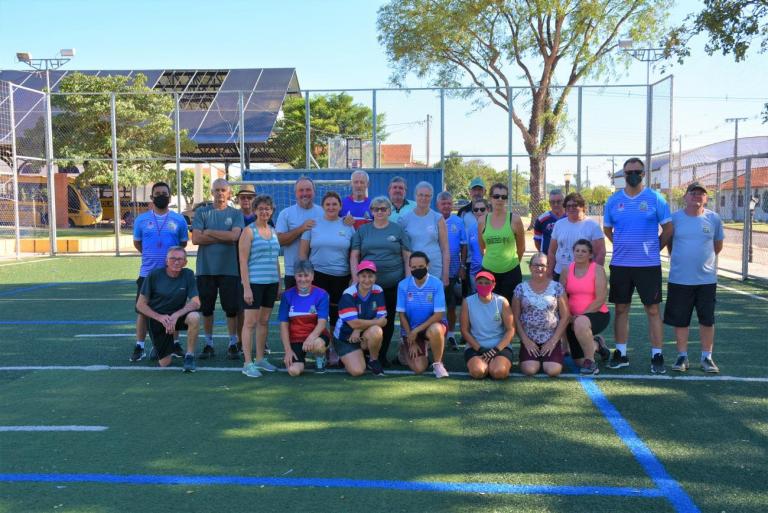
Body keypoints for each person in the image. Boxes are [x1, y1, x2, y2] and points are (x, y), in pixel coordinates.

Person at [603, 158, 672, 374]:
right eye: (629, 171)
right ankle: (621, 353)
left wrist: (653, 250)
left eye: (637, 171)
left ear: (644, 173)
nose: (633, 174)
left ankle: (657, 355)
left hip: (648, 265)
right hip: (621, 265)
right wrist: (623, 245)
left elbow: (668, 229)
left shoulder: (655, 199)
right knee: (621, 309)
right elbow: (607, 230)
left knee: (652, 310)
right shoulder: (613, 201)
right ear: (623, 174)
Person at [664, 182, 724, 373]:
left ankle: (707, 358)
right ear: (686, 197)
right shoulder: (674, 219)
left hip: (706, 280)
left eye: (701, 194)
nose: (696, 196)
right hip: (680, 279)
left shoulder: (714, 219)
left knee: (707, 320)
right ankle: (682, 357)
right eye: (693, 193)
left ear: (706, 198)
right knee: (681, 320)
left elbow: (717, 246)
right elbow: (670, 245)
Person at [130, 182, 189, 362]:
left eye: (164, 193)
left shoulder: (178, 219)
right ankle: (140, 346)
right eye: (157, 193)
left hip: (172, 273)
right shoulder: (141, 219)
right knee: (142, 310)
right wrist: (152, 256)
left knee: (174, 308)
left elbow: (183, 243)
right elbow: (138, 243)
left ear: (170, 197)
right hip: (148, 273)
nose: (161, 196)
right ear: (152, 197)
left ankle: (175, 342)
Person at [350, 196, 411, 366]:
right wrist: (356, 280)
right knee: (366, 319)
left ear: (389, 211)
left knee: (388, 320)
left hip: (392, 284)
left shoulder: (398, 230)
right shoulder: (363, 231)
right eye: (376, 209)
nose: (380, 212)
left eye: (383, 208)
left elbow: (407, 256)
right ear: (371, 211)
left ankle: (381, 355)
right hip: (367, 287)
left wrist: (407, 281)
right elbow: (354, 255)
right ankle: (365, 353)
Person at [190, 178, 245, 360]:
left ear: (229, 193)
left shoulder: (236, 214)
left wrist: (209, 231)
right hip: (205, 269)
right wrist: (224, 236)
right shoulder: (202, 212)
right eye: (217, 190)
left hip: (230, 269)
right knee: (207, 309)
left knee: (231, 309)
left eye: (223, 190)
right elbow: (196, 239)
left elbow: (234, 236)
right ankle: (209, 343)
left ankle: (232, 343)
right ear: (211, 192)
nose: (220, 193)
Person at [299, 191, 355, 335]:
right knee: (318, 313)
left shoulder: (348, 225)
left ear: (340, 206)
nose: (331, 207)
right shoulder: (313, 224)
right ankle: (320, 348)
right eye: (328, 204)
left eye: (334, 204)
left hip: (341, 276)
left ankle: (335, 346)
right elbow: (303, 253)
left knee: (337, 313)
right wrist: (305, 275)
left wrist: (353, 277)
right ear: (323, 206)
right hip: (317, 274)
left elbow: (354, 253)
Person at [135, 247, 200, 372]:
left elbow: (196, 302)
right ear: (166, 261)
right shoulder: (154, 275)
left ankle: (190, 356)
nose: (176, 262)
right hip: (158, 318)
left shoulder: (188, 274)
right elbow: (140, 305)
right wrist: (160, 317)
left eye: (180, 259)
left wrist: (176, 315)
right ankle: (158, 347)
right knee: (165, 363)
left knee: (194, 317)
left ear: (185, 262)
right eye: (173, 259)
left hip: (177, 316)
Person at [238, 195, 281, 378]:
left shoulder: (273, 230)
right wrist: (246, 287)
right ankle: (248, 363)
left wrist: (278, 283)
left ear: (272, 211)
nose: (264, 211)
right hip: (254, 283)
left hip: (270, 284)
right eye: (261, 208)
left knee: (263, 322)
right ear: (255, 211)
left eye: (267, 208)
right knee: (250, 323)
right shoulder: (248, 231)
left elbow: (276, 260)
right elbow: (243, 260)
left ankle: (261, 358)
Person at [512, 252, 569, 377]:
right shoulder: (520, 288)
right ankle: (533, 356)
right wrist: (525, 340)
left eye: (543, 265)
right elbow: (515, 317)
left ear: (548, 267)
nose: (539, 268)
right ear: (530, 267)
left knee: (553, 371)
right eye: (536, 265)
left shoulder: (557, 287)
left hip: (550, 337)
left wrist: (553, 341)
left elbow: (565, 317)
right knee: (530, 370)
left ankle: (552, 354)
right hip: (529, 338)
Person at [560, 239, 611, 375]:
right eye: (577, 250)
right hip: (572, 319)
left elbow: (601, 298)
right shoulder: (566, 270)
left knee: (581, 323)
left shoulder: (598, 270)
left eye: (584, 251)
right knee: (578, 361)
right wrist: (568, 316)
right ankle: (597, 345)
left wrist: (580, 317)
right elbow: (561, 297)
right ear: (573, 252)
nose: (580, 253)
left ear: (590, 255)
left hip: (597, 314)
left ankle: (591, 362)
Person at [396, 251, 450, 378]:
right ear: (409, 267)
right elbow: (402, 315)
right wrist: (411, 337)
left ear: (428, 265)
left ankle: (438, 364)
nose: (417, 270)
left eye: (421, 267)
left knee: (435, 330)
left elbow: (438, 315)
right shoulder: (403, 285)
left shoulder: (436, 283)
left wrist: (416, 331)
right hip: (411, 329)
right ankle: (404, 348)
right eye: (413, 267)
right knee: (419, 368)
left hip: (430, 326)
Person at [278, 260, 331, 376]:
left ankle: (320, 358)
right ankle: (301, 359)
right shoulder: (287, 296)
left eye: (306, 275)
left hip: (316, 336)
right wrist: (287, 350)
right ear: (295, 276)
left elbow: (322, 322)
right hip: (296, 338)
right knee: (293, 371)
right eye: (299, 275)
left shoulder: (322, 294)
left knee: (318, 345)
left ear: (312, 276)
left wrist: (311, 338)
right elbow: (283, 325)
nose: (303, 279)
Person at [334, 261, 387, 377]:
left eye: (370, 276)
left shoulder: (378, 290)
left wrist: (358, 329)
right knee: (357, 371)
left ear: (375, 277)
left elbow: (383, 320)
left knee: (376, 331)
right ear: (357, 277)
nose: (367, 280)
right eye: (363, 276)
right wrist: (358, 327)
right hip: (345, 337)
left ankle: (373, 360)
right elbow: (353, 323)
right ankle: (344, 356)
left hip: (361, 334)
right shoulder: (348, 294)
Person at [461, 271, 515, 380]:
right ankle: (487, 364)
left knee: (499, 372)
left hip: (500, 347)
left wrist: (495, 350)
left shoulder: (502, 301)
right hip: (476, 347)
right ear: (476, 284)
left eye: (487, 283)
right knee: (478, 372)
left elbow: (511, 329)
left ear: (493, 285)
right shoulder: (468, 302)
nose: (483, 285)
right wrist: (480, 349)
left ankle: (495, 364)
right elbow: (464, 330)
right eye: (480, 282)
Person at [479, 182, 526, 304]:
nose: (500, 199)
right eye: (496, 196)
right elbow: (482, 247)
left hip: (511, 271)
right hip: (488, 271)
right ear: (490, 198)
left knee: (510, 307)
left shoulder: (514, 219)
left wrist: (512, 263)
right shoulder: (482, 220)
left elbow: (521, 248)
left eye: (503, 197)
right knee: (489, 306)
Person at [276, 177, 324, 289]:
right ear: (295, 193)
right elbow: (280, 241)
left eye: (308, 190)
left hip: (319, 270)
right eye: (301, 190)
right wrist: (301, 228)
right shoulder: (286, 213)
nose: (305, 193)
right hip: (293, 272)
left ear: (314, 192)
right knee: (294, 306)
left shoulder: (323, 212)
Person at [399, 181, 449, 286]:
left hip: (434, 268)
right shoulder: (405, 219)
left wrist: (445, 275)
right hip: (414, 269)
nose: (423, 198)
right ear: (415, 196)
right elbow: (402, 248)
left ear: (431, 197)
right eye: (420, 195)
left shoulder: (438, 218)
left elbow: (445, 249)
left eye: (427, 195)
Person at [547, 192, 605, 282]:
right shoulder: (559, 224)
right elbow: (551, 251)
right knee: (560, 296)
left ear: (583, 207)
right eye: (568, 206)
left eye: (574, 205)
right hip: (560, 273)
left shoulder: (593, 226)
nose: (571, 208)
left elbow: (600, 253)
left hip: (583, 275)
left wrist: (596, 274)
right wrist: (549, 272)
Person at [436, 191, 467, 349]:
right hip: (436, 269)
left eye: (449, 203)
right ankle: (436, 333)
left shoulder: (458, 221)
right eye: (443, 203)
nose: (446, 206)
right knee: (435, 304)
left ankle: (451, 335)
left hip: (454, 269)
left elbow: (463, 245)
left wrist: (462, 266)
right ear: (438, 205)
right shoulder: (433, 219)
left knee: (452, 304)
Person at [457, 177, 486, 295]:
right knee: (468, 294)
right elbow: (459, 238)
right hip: (469, 260)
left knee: (487, 292)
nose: (477, 193)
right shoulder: (463, 212)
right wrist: (462, 265)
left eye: (480, 189)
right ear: (470, 192)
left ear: (484, 191)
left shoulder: (492, 210)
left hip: (489, 260)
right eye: (474, 190)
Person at [465, 198, 489, 294]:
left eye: (482, 209)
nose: (479, 212)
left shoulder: (494, 227)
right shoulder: (471, 229)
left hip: (490, 268)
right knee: (475, 296)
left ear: (488, 210)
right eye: (476, 210)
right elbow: (471, 249)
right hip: (475, 270)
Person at [533, 189, 566, 254]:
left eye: (559, 201)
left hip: (566, 258)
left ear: (564, 202)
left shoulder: (570, 217)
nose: (555, 204)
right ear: (549, 203)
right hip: (547, 258)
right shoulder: (542, 219)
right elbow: (537, 241)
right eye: (552, 202)